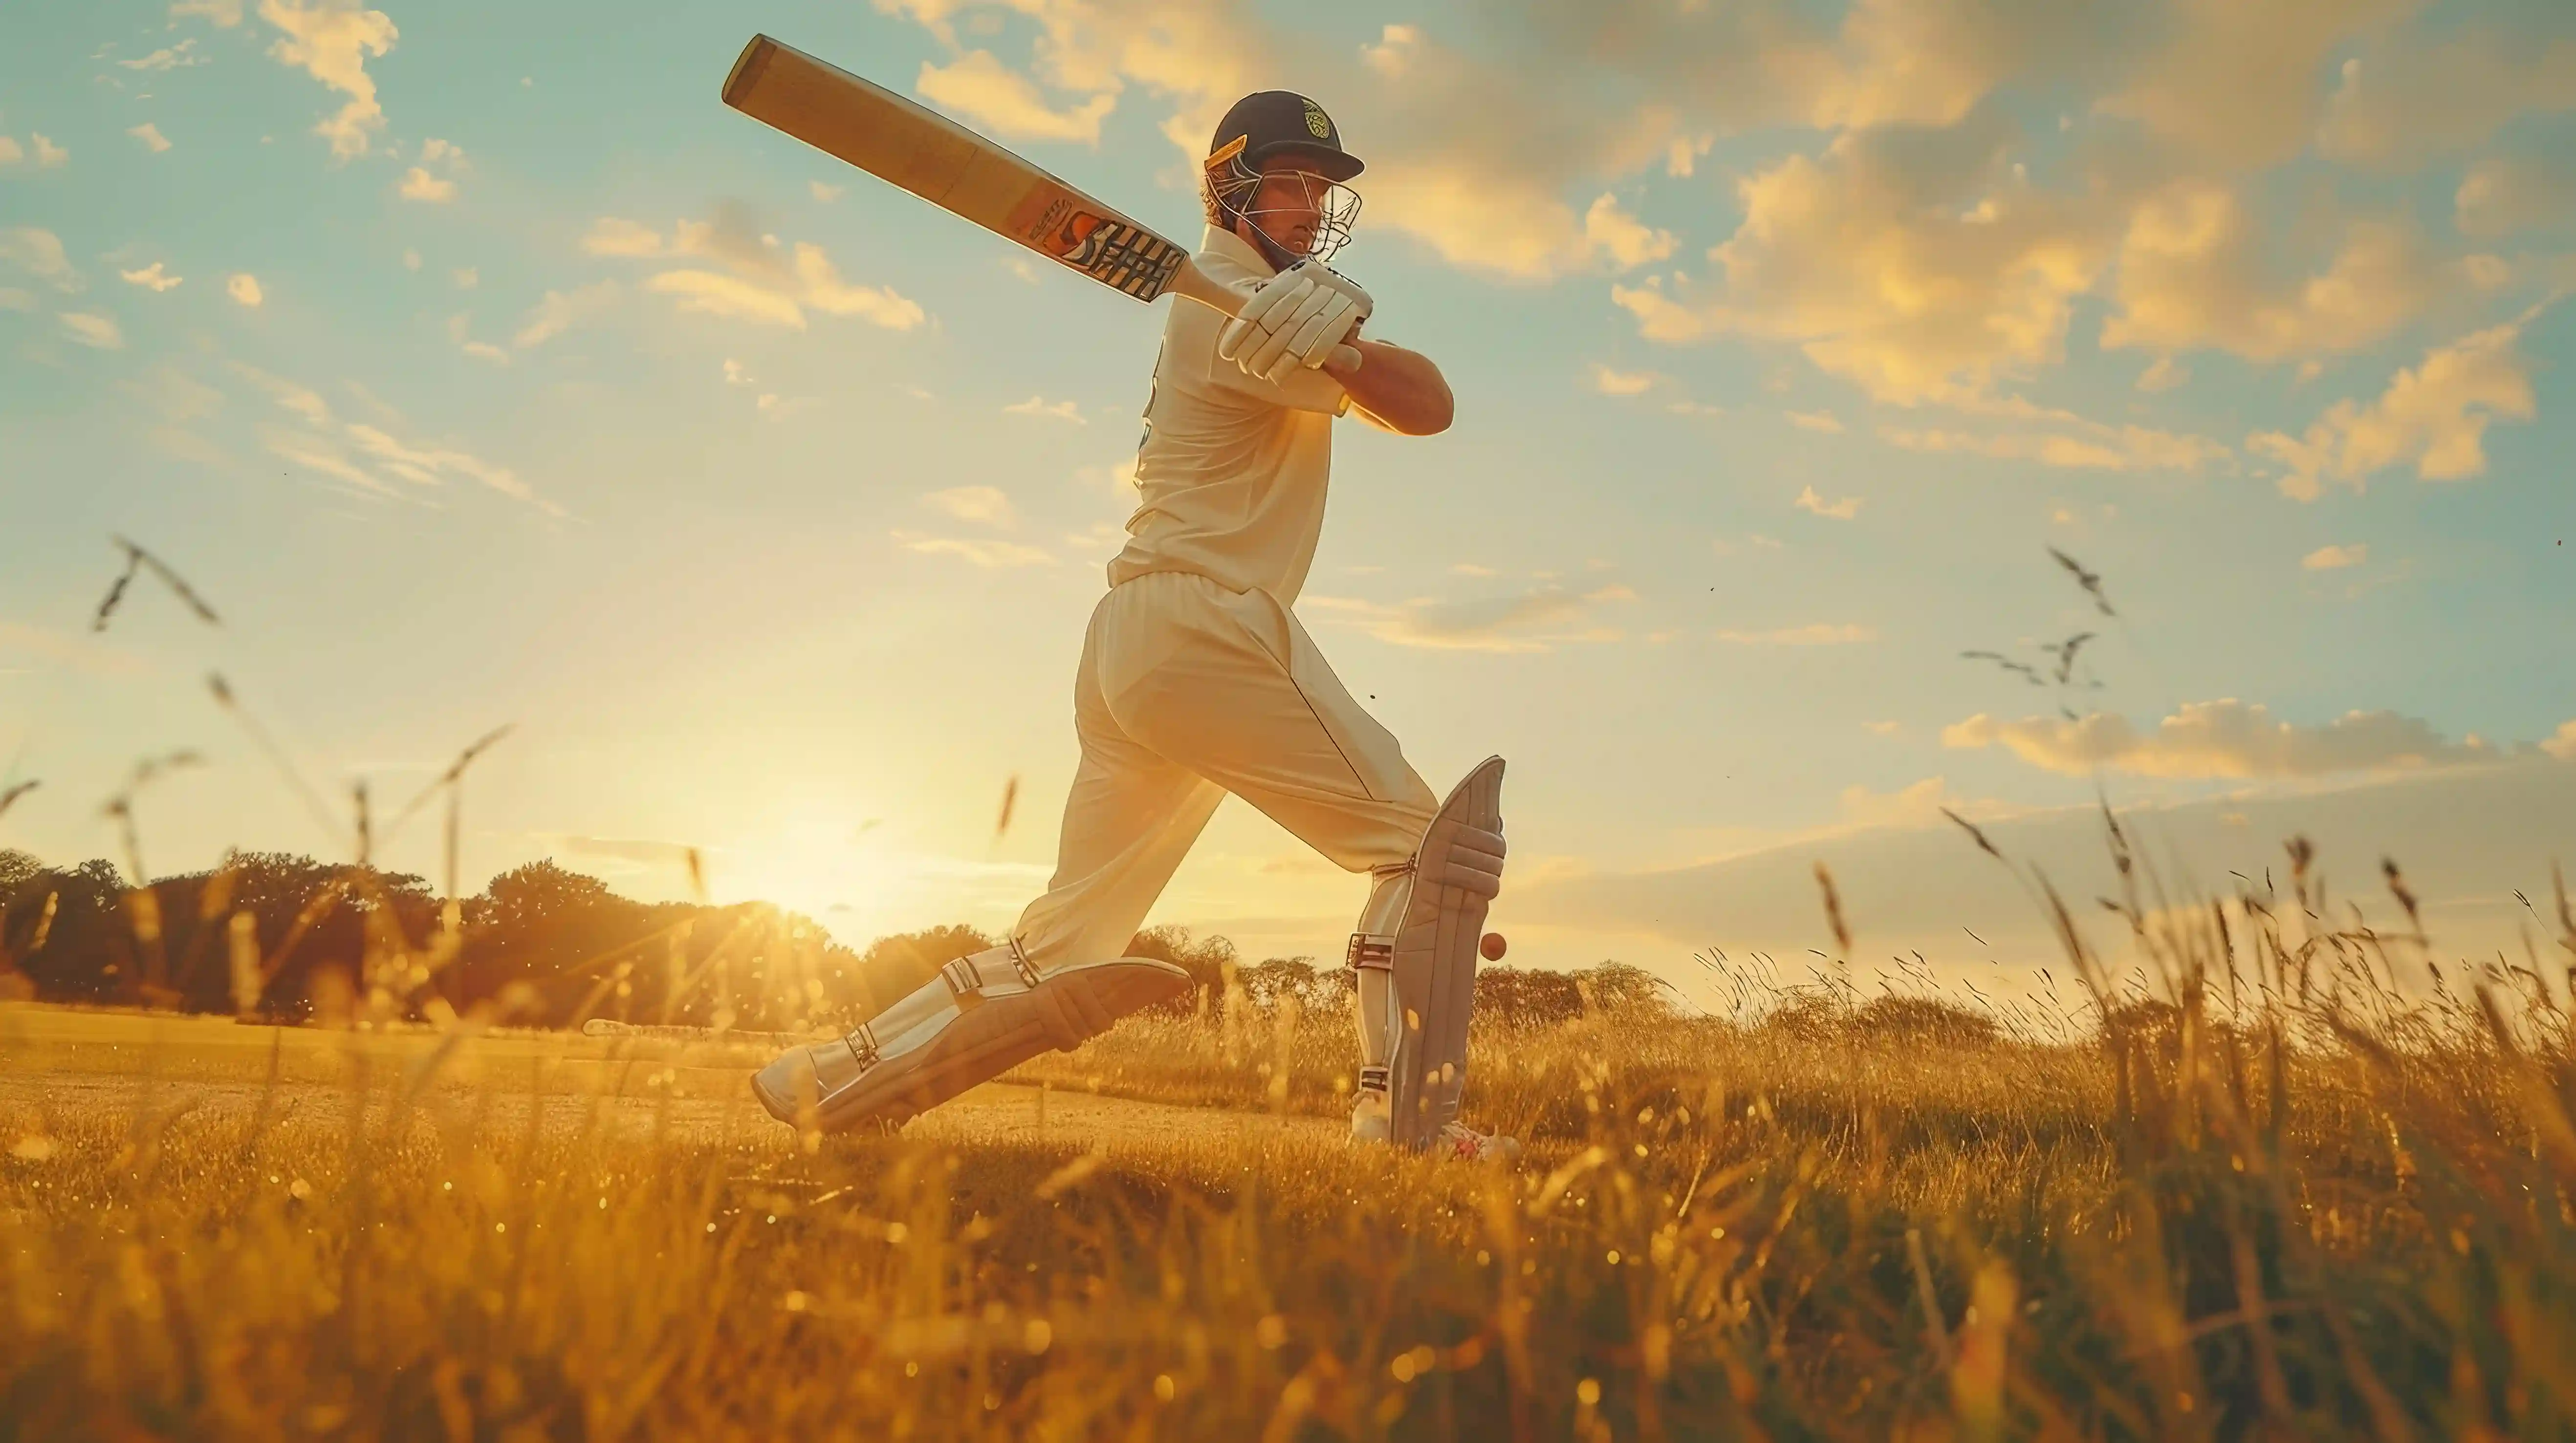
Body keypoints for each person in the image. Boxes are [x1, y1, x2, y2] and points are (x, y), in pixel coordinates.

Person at [753, 90, 1512, 1159]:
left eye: (1323, 188)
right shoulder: (1230, 309)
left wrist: (1340, 346)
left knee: (1065, 937)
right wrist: (1343, 350)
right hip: (1207, 621)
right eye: (1289, 181)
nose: (1310, 205)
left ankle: (828, 1076)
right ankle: (1410, 1130)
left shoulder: (1244, 303)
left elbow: (1411, 398)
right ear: (1229, 188)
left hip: (1132, 640)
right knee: (1426, 853)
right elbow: (1427, 407)